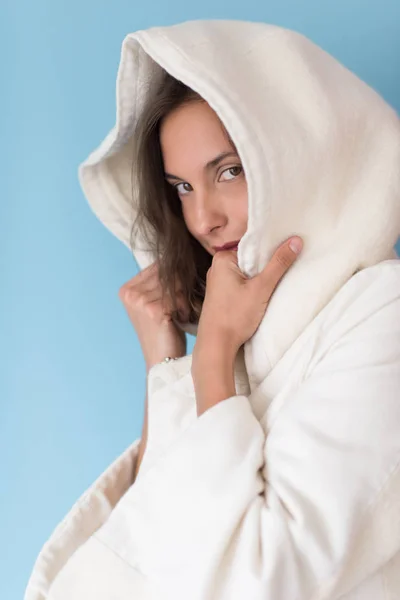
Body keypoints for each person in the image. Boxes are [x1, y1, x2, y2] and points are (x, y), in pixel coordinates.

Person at [24, 19, 400, 600]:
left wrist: (213, 359)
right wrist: (164, 366)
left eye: (229, 171)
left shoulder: (382, 314)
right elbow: (149, 544)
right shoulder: (248, 327)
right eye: (182, 188)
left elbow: (261, 581)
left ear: (301, 152)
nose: (203, 220)